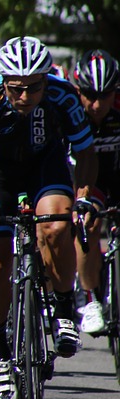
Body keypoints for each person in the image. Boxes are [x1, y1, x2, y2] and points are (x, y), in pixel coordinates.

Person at [0, 37, 94, 399]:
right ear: (3, 81)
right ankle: (1, 353)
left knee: (55, 225)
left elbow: (84, 152)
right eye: (16, 89)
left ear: (45, 80)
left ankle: (65, 309)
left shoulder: (62, 96)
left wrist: (83, 200)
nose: (25, 96)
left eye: (34, 87)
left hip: (44, 165)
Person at [71, 49, 118, 337]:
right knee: (87, 224)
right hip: (87, 178)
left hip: (116, 171)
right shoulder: (71, 112)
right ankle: (89, 297)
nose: (98, 103)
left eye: (106, 95)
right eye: (89, 94)